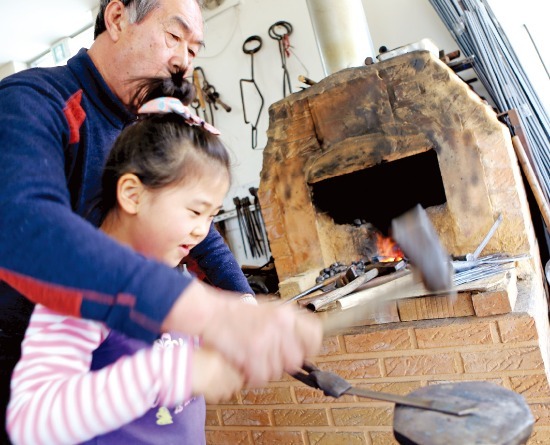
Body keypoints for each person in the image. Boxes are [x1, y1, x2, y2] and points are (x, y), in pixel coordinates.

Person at [0, 0, 323, 442]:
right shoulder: (33, 101)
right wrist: (202, 312)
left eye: (194, 50)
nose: (183, 61)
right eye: (174, 37)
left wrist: (243, 308)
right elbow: (25, 227)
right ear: (117, 18)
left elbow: (196, 228)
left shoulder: (146, 126)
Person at [7, 77, 249, 445]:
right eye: (195, 211)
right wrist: (164, 374)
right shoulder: (83, 288)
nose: (202, 231)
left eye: (212, 215)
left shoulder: (178, 282)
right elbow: (32, 420)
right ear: (133, 194)